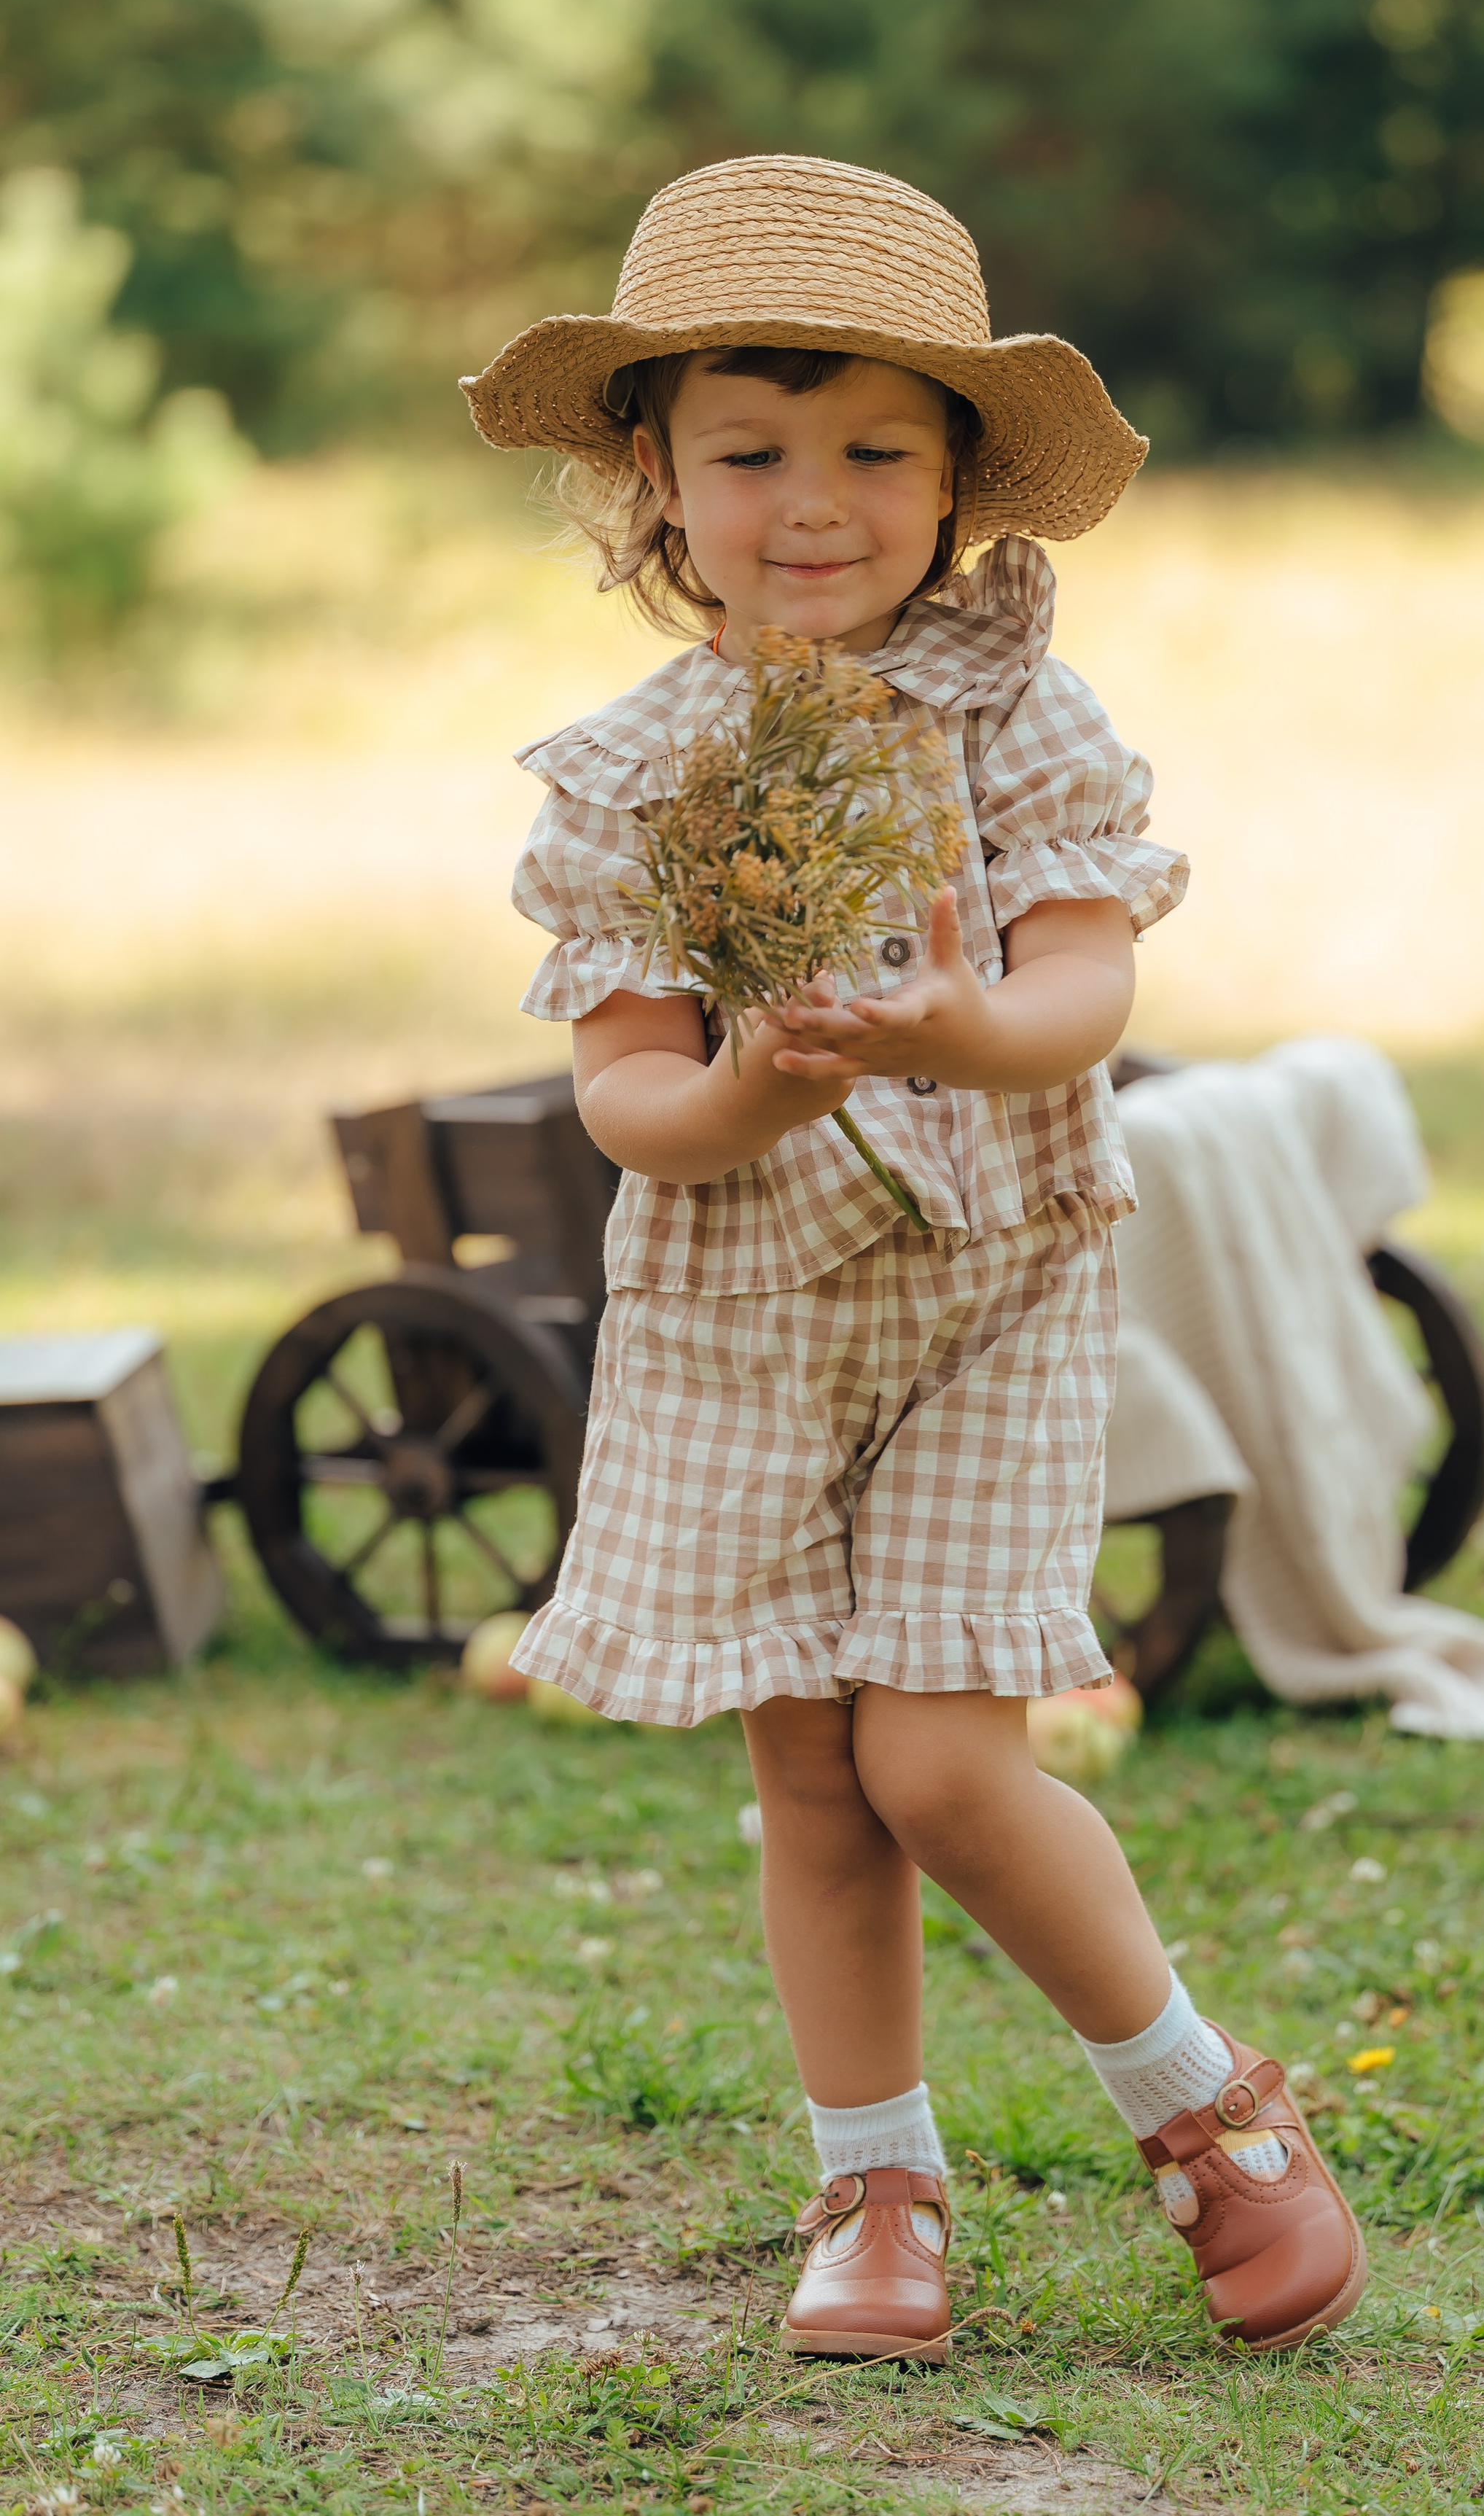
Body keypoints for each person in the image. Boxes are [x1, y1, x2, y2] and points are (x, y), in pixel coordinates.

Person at [461, 155, 1364, 2359]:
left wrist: (958, 1026)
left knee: (943, 1763)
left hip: (991, 1298)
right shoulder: (634, 783)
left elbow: (1085, 992)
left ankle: (1209, 2111)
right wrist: (755, 1087)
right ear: (653, 480)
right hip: (745, 1324)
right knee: (806, 1779)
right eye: (751, 451)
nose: (815, 501)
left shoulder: (1014, 718)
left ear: (958, 477)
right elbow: (629, 1097)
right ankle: (877, 2186)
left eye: (877, 447)